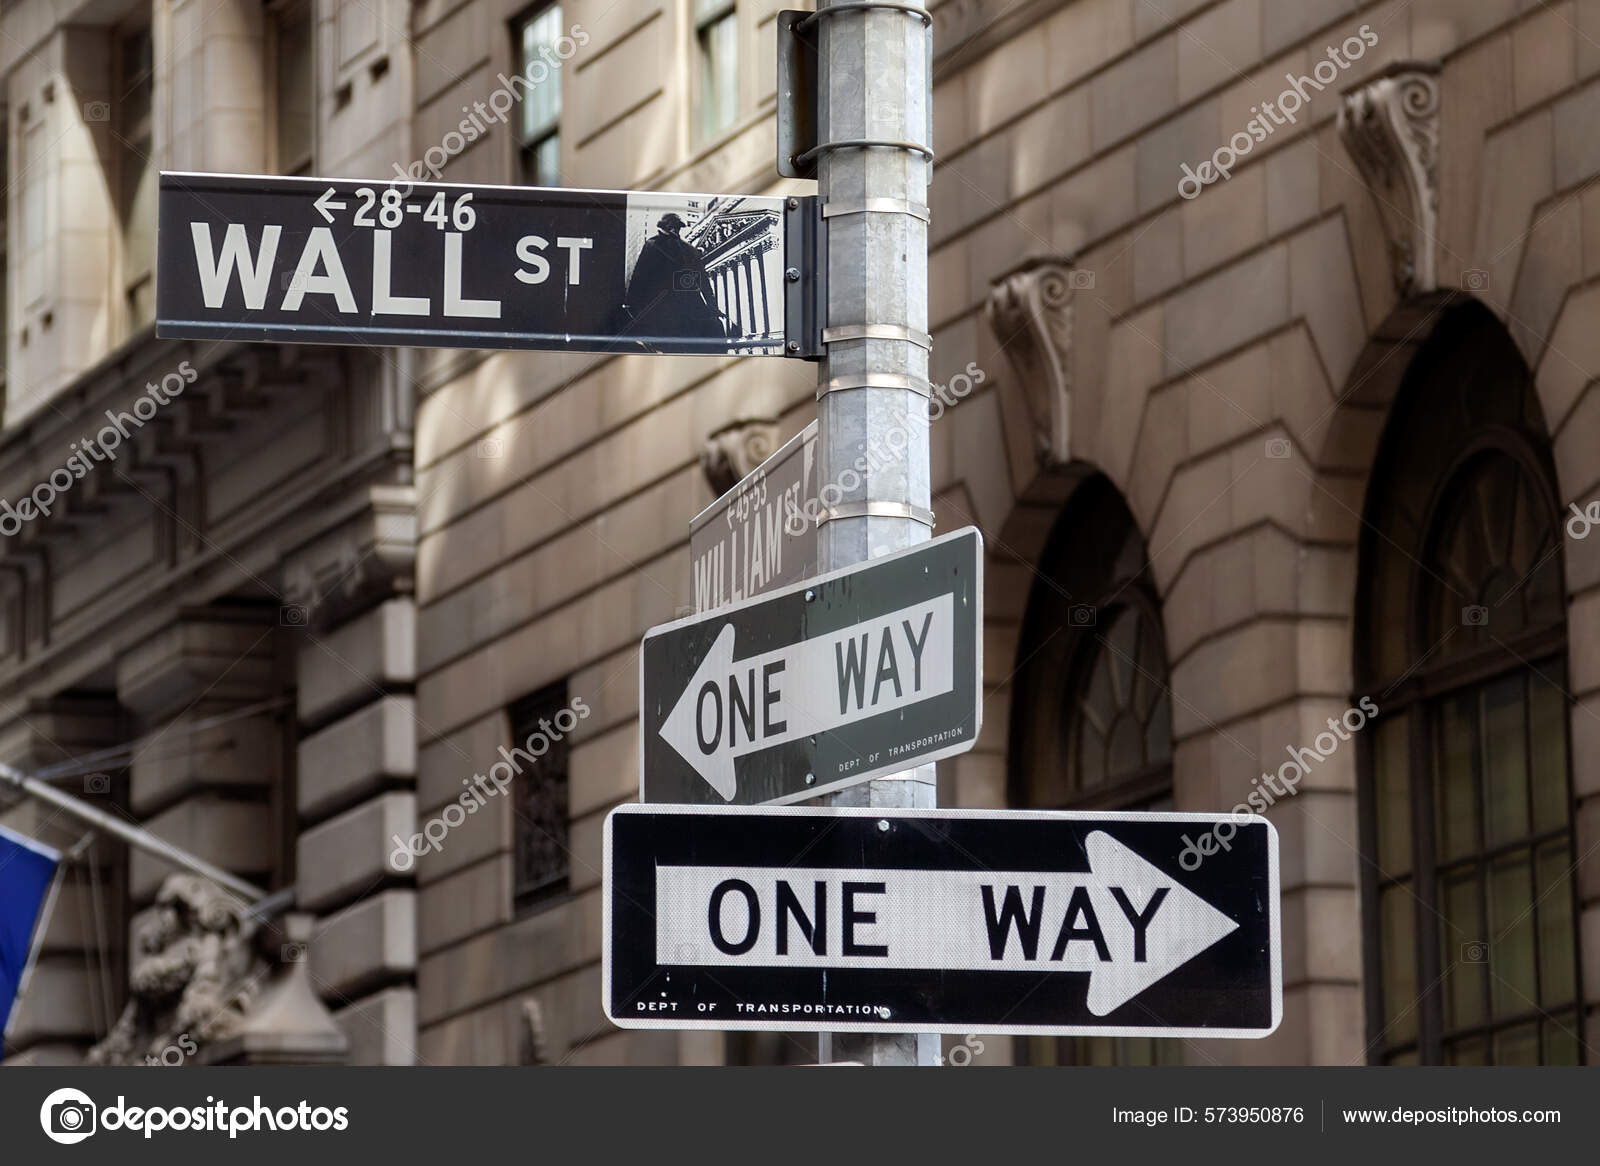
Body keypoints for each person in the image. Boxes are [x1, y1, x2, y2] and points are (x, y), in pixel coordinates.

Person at [622, 213, 729, 347]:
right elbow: (704, 282)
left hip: (669, 309)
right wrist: (712, 306)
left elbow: (639, 278)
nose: (674, 230)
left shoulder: (655, 245)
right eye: (673, 227)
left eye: (676, 227)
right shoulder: (688, 249)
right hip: (681, 308)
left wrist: (632, 305)